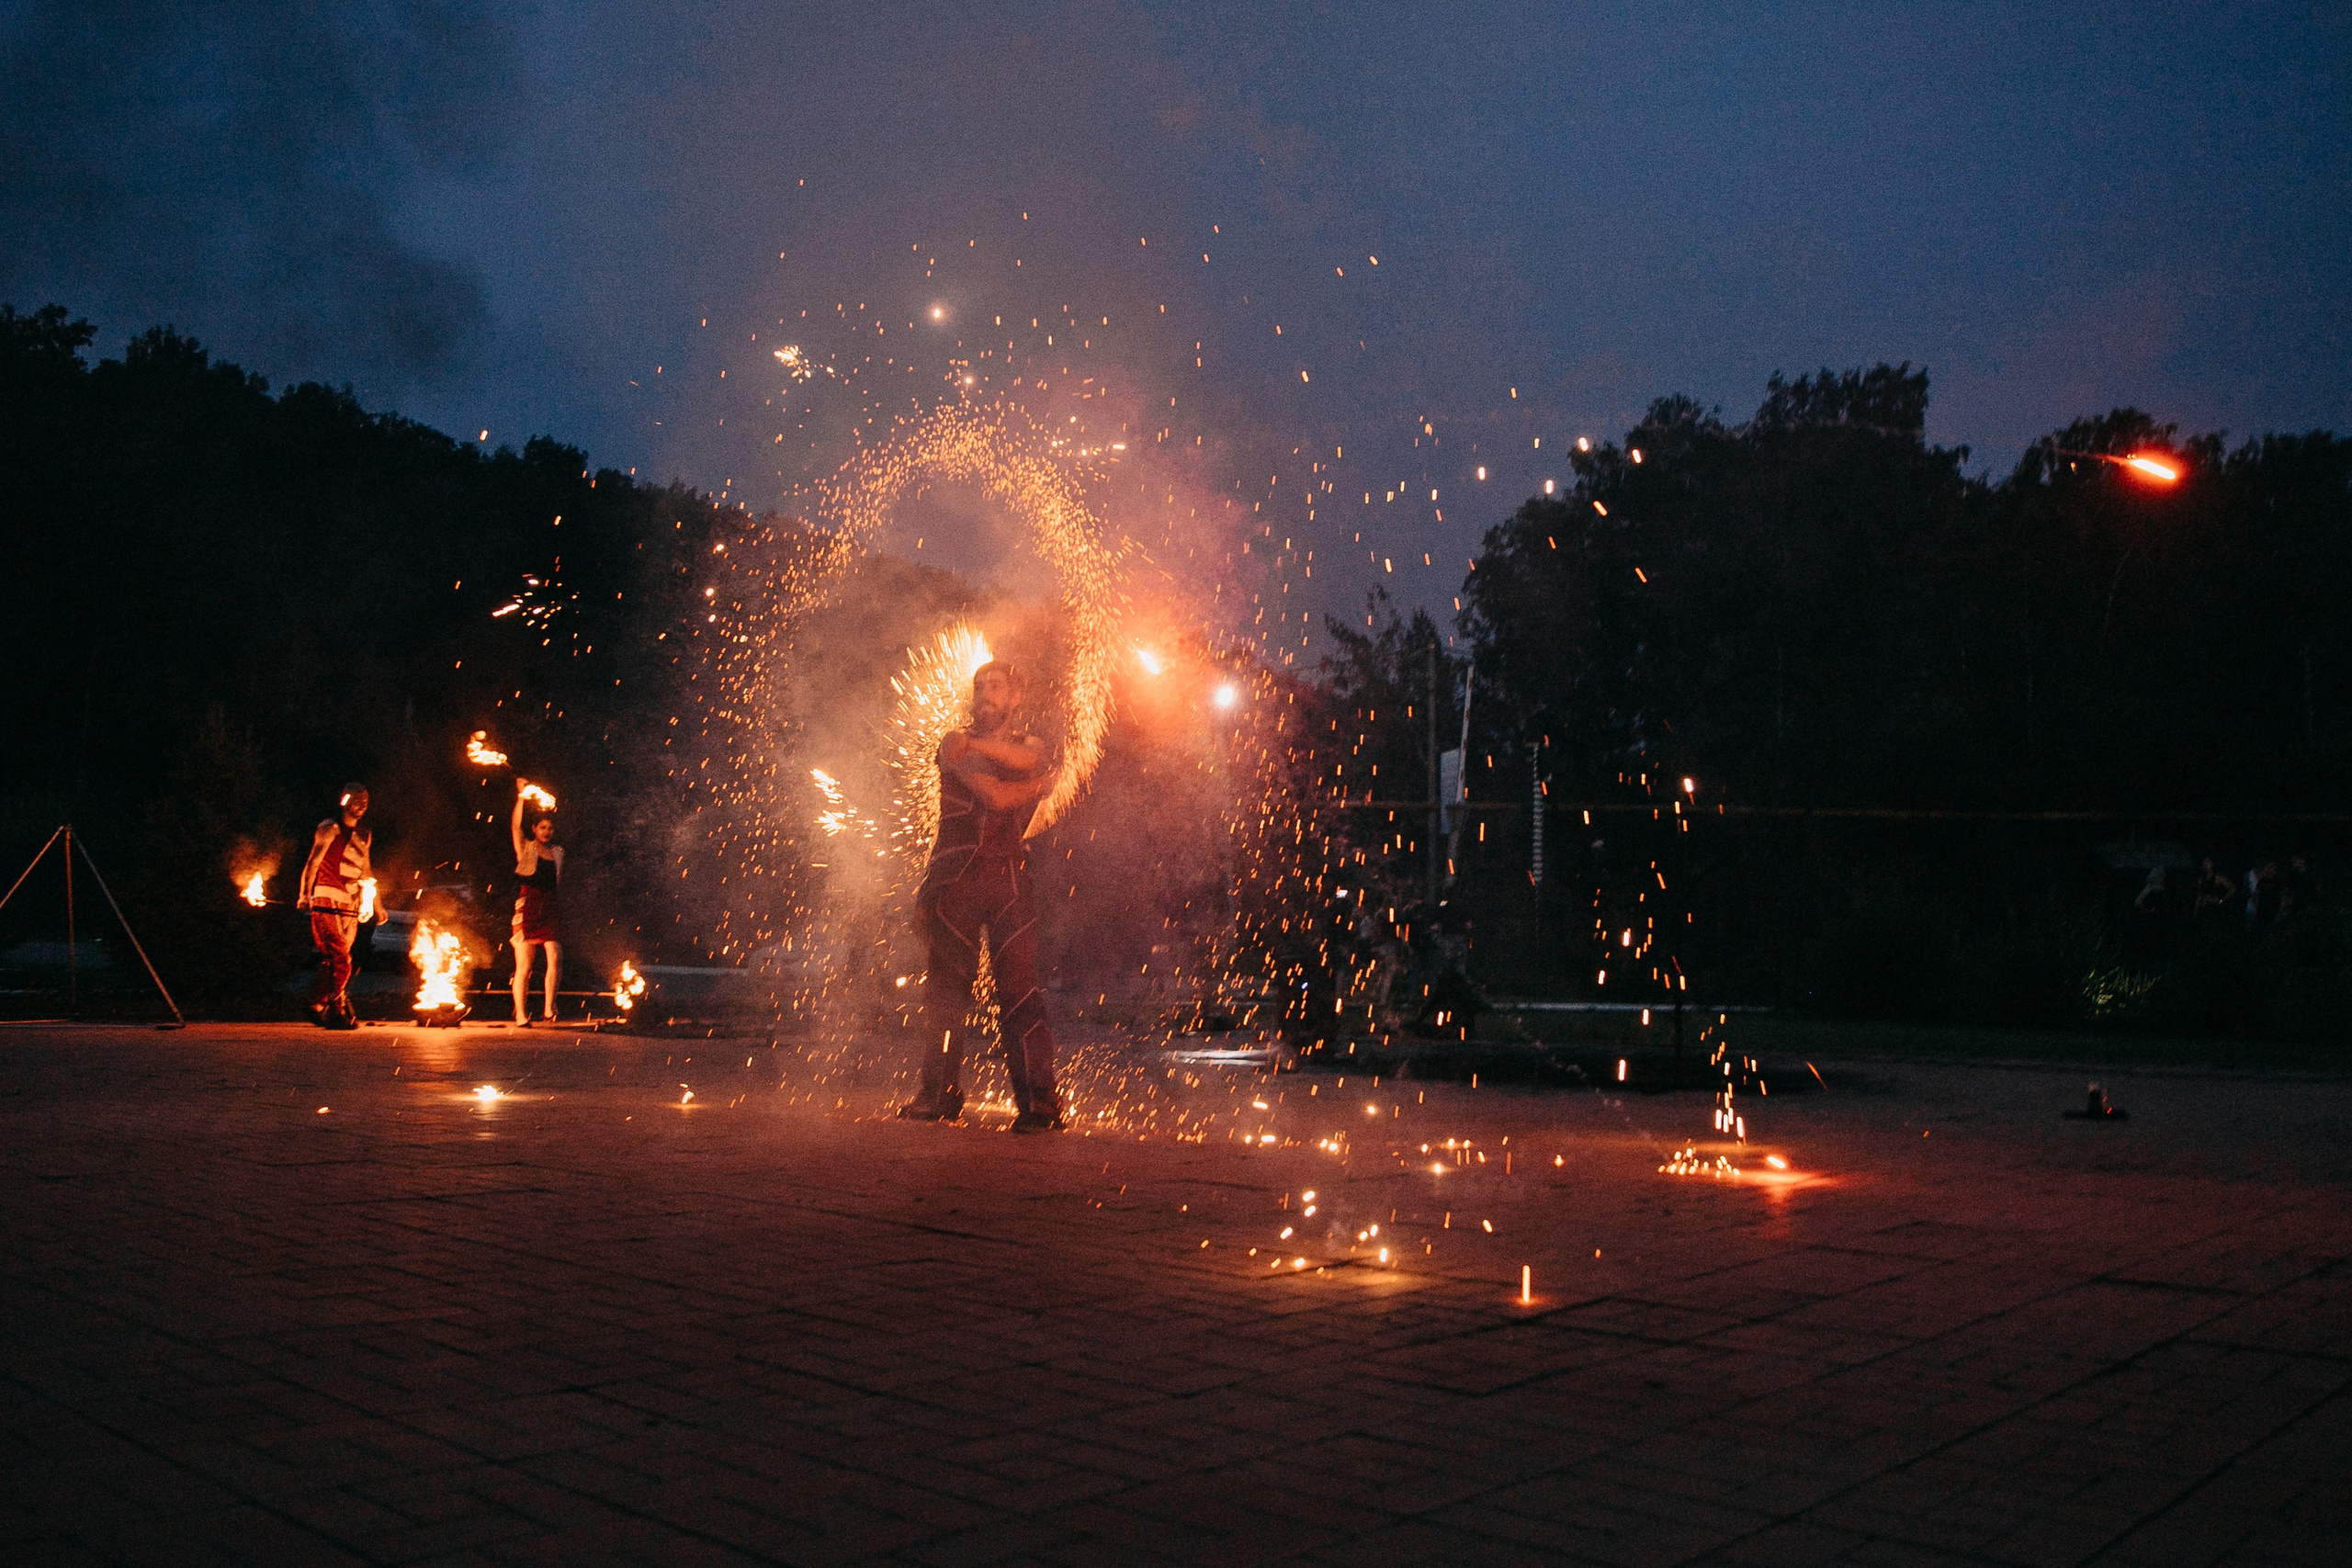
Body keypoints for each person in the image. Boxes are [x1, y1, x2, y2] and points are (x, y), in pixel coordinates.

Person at [899, 660, 1064, 1131]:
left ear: (1017, 698)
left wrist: (1030, 772)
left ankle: (1041, 1107)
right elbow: (994, 795)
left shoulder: (1025, 744)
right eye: (979, 687)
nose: (985, 695)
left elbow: (1032, 759)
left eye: (996, 687)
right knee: (947, 993)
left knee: (1021, 994)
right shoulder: (955, 740)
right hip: (957, 882)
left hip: (1011, 880)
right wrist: (1038, 785)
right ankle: (938, 1096)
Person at [296, 784, 372, 1030]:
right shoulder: (329, 828)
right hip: (326, 899)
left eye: (366, 801)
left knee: (332, 961)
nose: (362, 805)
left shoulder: (363, 836)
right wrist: (303, 895)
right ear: (344, 801)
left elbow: (367, 874)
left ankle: (313, 1004)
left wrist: (376, 904)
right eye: (357, 799)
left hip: (350, 902)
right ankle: (335, 1011)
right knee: (342, 959)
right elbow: (313, 862)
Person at [510, 781, 564, 1025]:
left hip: (549, 906)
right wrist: (521, 795)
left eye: (550, 828)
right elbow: (514, 826)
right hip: (528, 906)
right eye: (542, 827)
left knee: (555, 954)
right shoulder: (526, 848)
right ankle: (521, 1014)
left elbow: (557, 881)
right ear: (534, 829)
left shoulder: (558, 853)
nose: (547, 832)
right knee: (525, 965)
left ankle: (549, 1008)